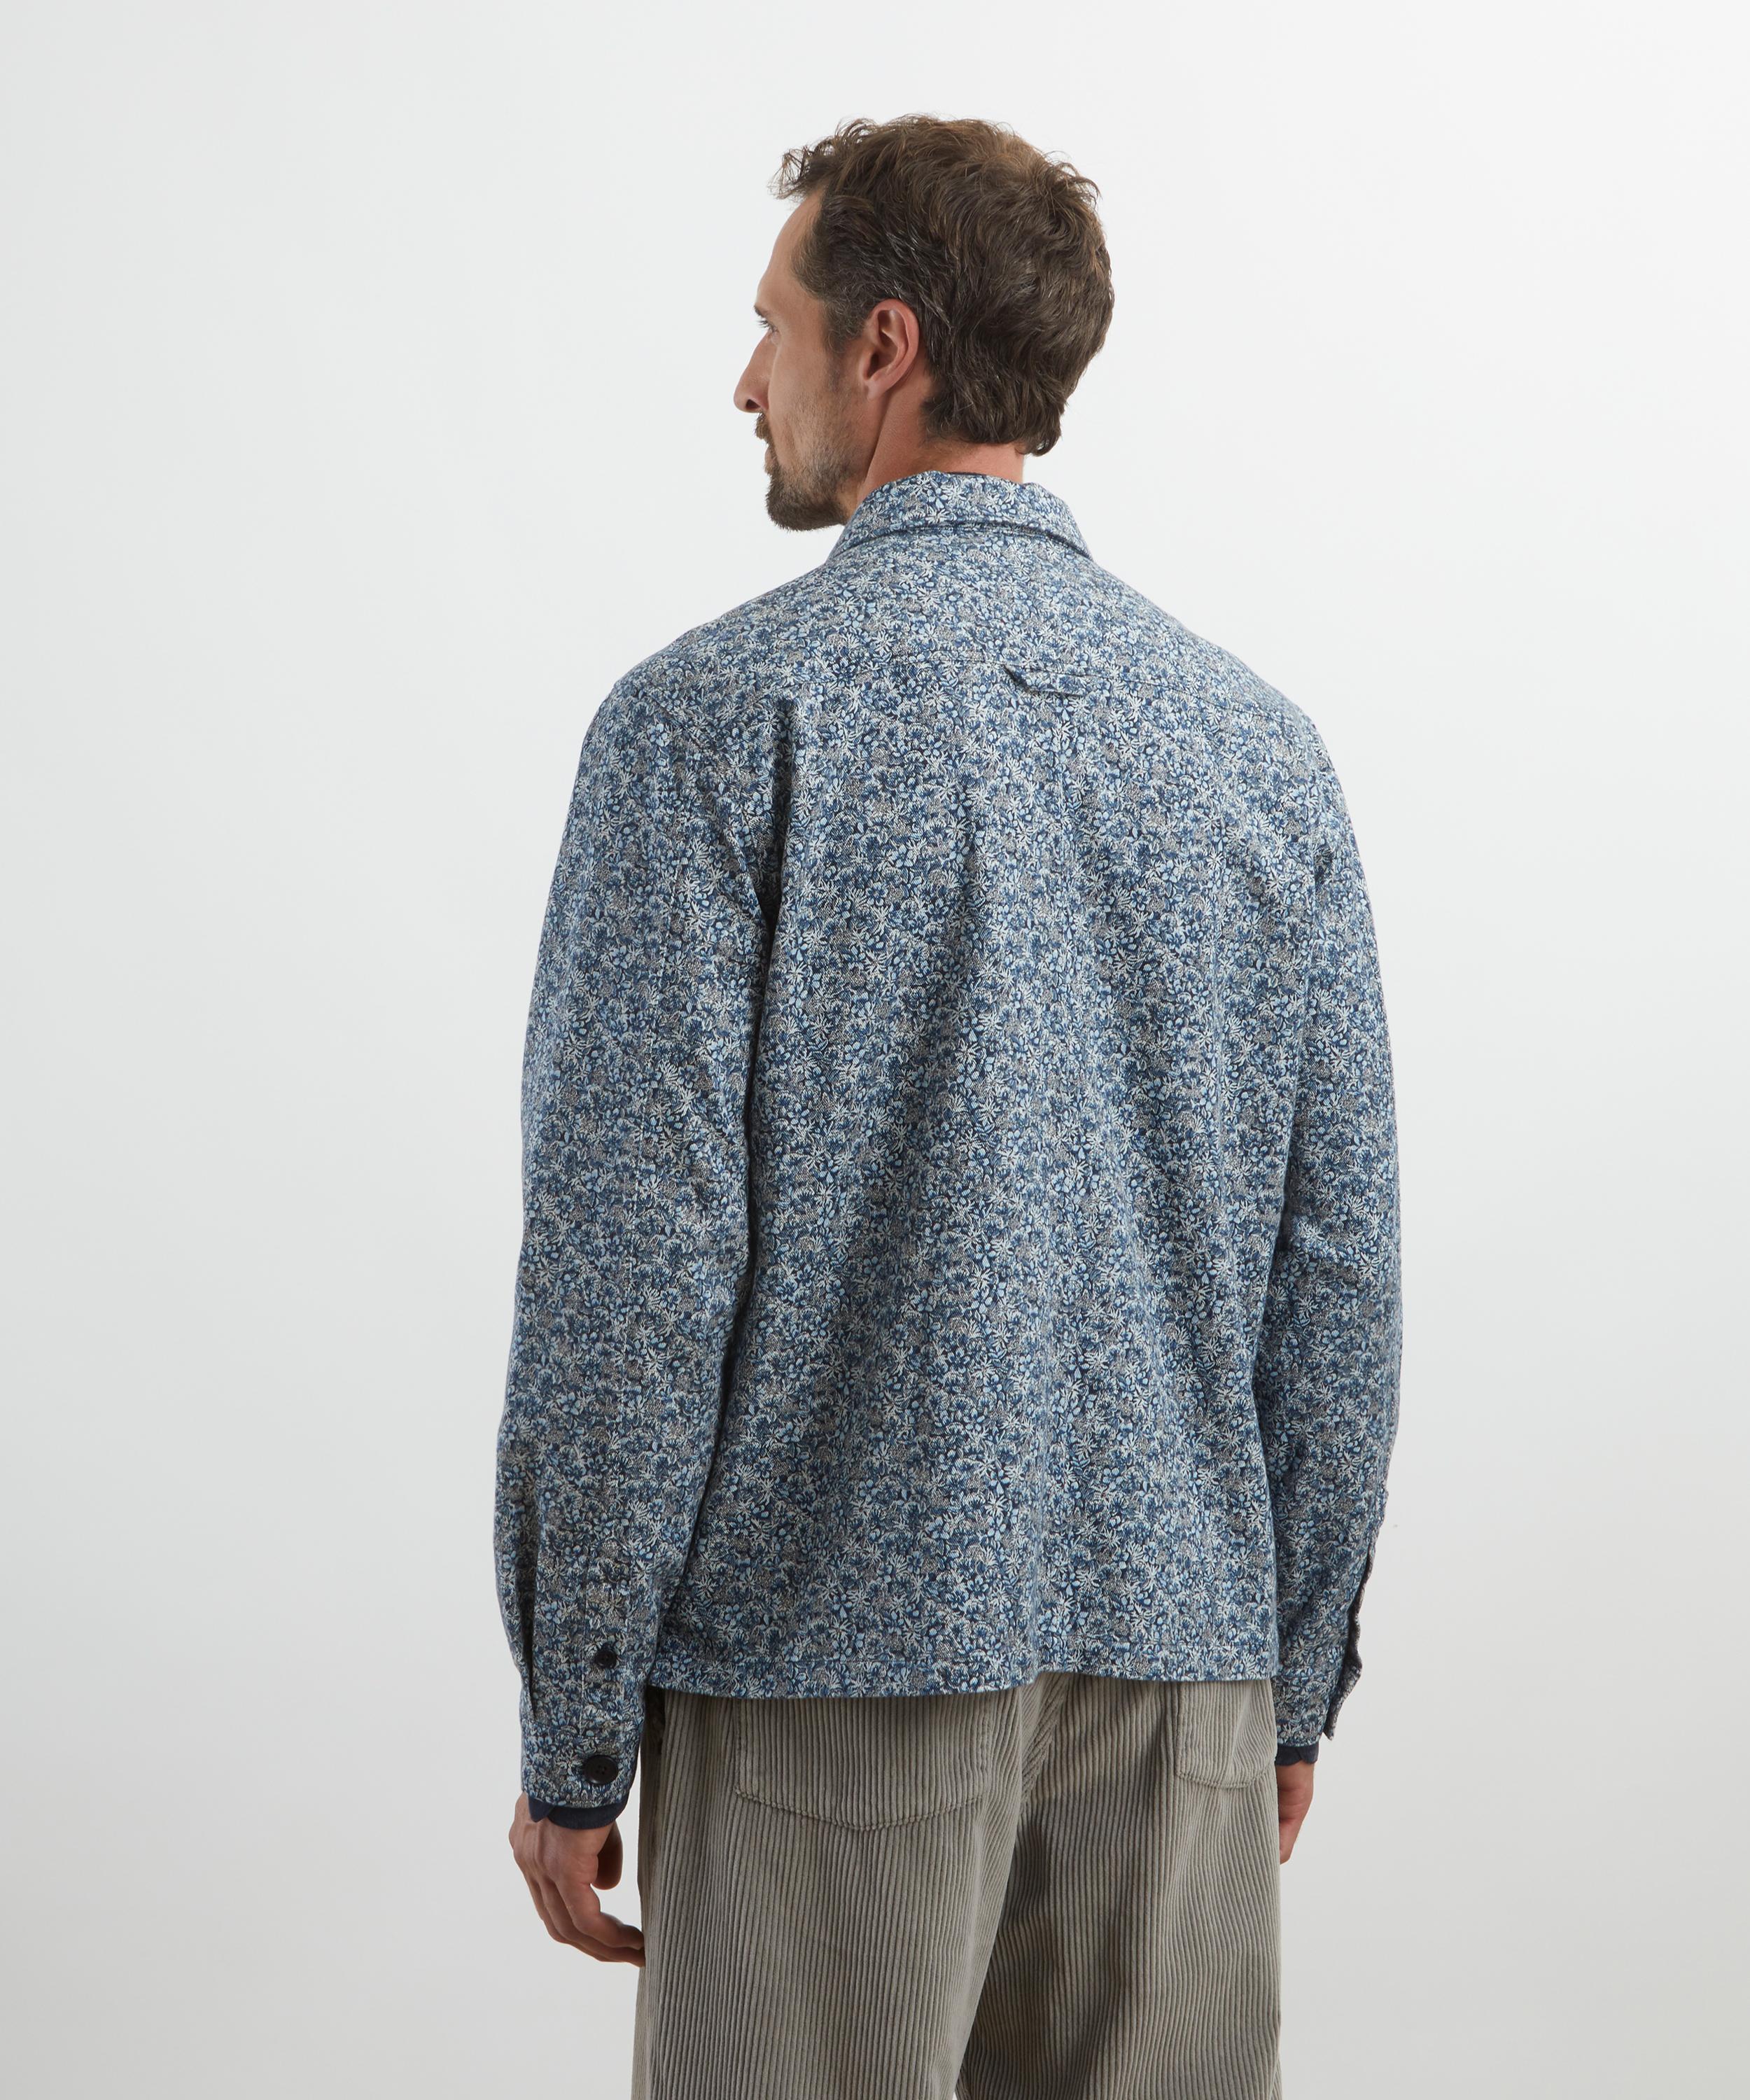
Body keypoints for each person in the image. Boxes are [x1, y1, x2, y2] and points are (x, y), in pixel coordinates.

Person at [496, 113, 1401, 2099]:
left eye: (774, 327)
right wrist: (1289, 1684)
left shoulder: (713, 726)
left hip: (823, 1677)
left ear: (885, 346)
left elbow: (632, 1272)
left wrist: (574, 1725)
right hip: (1181, 1681)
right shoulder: (1259, 753)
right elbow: (1334, 1274)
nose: (749, 382)